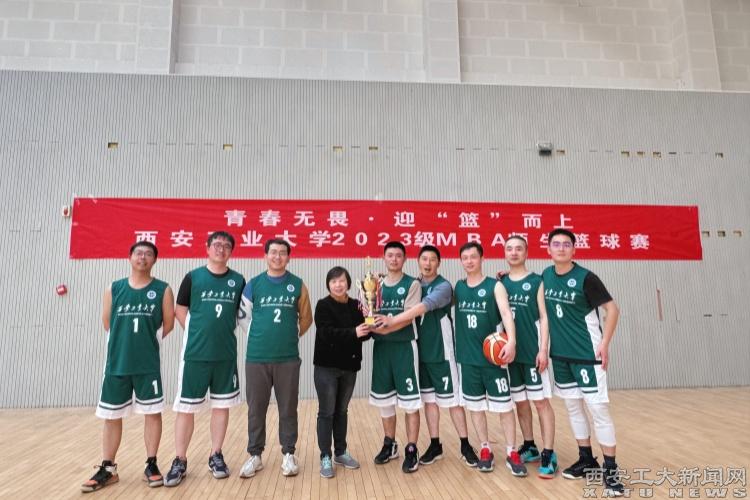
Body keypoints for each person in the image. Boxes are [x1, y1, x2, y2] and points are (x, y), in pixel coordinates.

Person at [81, 241, 175, 493]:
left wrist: (145, 343)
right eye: (138, 253)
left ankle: (151, 465)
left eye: (148, 254)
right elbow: (107, 323)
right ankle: (108, 468)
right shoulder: (114, 288)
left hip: (147, 365)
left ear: (155, 260)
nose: (143, 257)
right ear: (130, 257)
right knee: (112, 416)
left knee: (152, 413)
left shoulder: (163, 289)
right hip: (117, 363)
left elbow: (168, 324)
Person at [375, 245, 479, 467]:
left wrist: (392, 321)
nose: (428, 263)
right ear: (418, 261)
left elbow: (422, 307)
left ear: (439, 263)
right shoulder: (413, 283)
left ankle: (465, 444)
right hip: (418, 353)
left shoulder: (443, 286)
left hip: (441, 351)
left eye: (432, 259)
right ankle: (435, 445)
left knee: (452, 401)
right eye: (424, 259)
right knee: (430, 401)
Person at [542, 228, 623, 496]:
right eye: (556, 244)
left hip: (587, 356)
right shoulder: (545, 276)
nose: (561, 248)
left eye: (566, 244)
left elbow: (612, 309)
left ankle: (611, 470)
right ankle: (587, 459)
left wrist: (605, 343)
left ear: (574, 250)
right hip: (561, 357)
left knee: (598, 410)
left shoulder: (587, 278)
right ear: (549, 249)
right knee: (573, 409)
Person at [165, 231, 246, 487]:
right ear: (207, 248)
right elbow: (180, 311)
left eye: (226, 246)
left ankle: (216, 454)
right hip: (195, 356)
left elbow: (241, 315)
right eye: (217, 244)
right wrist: (197, 334)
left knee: (221, 406)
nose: (221, 249)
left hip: (225, 355)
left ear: (231, 252)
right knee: (186, 408)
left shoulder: (238, 280)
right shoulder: (193, 277)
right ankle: (180, 459)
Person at [238, 238, 313, 478]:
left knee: (288, 408)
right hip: (256, 357)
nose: (277, 256)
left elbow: (306, 318)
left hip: (288, 358)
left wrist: (290, 336)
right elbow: (243, 317)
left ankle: (288, 454)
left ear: (288, 258)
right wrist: (260, 336)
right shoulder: (254, 284)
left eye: (282, 253)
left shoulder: (297, 285)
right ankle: (255, 455)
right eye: (273, 252)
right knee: (256, 408)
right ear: (265, 256)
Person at [453, 242, 527, 476]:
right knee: (475, 407)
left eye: (473, 257)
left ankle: (512, 451)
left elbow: (506, 314)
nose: (469, 261)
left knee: (504, 407)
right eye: (465, 258)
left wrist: (511, 342)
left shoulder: (495, 286)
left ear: (482, 258)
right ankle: (485, 448)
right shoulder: (458, 287)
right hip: (468, 359)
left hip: (493, 358)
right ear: (461, 261)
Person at [500, 235, 557, 478]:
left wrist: (543, 349)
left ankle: (549, 452)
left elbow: (544, 317)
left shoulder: (536, 281)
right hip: (511, 355)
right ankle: (530, 445)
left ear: (526, 252)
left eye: (518, 249)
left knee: (541, 402)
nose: (513, 252)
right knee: (520, 402)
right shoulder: (500, 282)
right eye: (509, 249)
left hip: (533, 353)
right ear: (504, 253)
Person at [312, 266, 372, 478]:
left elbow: (365, 336)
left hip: (349, 367)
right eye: (334, 281)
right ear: (328, 284)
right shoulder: (323, 305)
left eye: (342, 281)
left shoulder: (357, 305)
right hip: (327, 368)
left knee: (342, 411)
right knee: (326, 412)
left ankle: (340, 452)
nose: (338, 285)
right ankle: (325, 456)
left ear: (348, 283)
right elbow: (327, 333)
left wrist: (369, 321)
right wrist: (354, 332)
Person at [369, 241, 423, 473]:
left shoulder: (412, 284)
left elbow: (408, 317)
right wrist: (369, 322)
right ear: (384, 258)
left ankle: (411, 448)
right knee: (385, 401)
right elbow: (369, 313)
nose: (393, 259)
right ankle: (389, 444)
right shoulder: (375, 284)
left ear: (404, 259)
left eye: (398, 255)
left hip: (404, 348)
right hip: (382, 349)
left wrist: (383, 329)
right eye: (389, 255)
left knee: (410, 403)